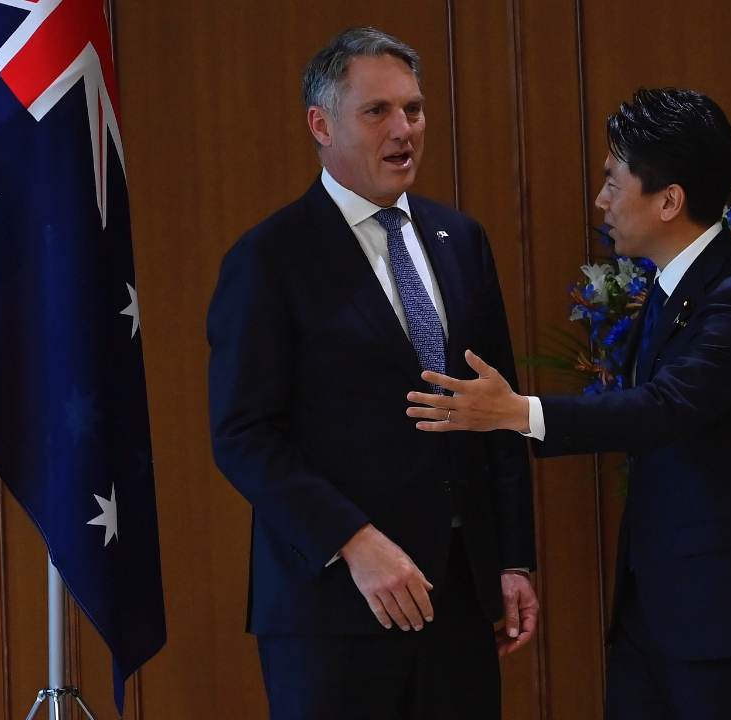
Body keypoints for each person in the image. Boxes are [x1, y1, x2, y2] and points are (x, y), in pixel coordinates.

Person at [406, 88, 731, 720]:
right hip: (655, 616)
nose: (600, 199)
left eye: (612, 180)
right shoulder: (672, 286)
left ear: (669, 200)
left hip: (727, 624)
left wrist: (518, 412)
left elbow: (661, 409)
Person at [207, 27, 538, 720]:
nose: (404, 130)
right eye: (378, 111)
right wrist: (353, 542)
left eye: (413, 109)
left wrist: (513, 560)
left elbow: (498, 414)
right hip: (333, 606)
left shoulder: (461, 241)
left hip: (457, 597)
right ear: (320, 125)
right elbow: (243, 434)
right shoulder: (270, 258)